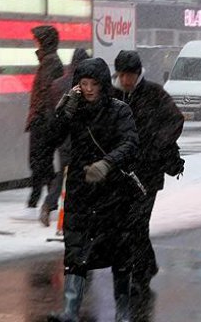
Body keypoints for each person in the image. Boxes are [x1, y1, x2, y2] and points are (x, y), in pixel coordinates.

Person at [48, 57, 140, 322]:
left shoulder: (119, 110)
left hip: (113, 191)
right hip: (80, 189)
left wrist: (107, 164)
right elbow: (51, 139)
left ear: (102, 85)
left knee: (119, 250)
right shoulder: (74, 110)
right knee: (75, 247)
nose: (88, 89)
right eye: (83, 83)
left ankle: (123, 311)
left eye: (93, 84)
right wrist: (62, 112)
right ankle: (70, 309)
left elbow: (131, 143)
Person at [112, 50, 185, 300]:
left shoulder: (154, 93)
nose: (127, 80)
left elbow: (176, 119)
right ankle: (148, 265)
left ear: (138, 73)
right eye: (122, 75)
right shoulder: (112, 96)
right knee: (127, 225)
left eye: (130, 75)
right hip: (122, 173)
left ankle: (140, 275)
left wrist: (155, 145)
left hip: (148, 173)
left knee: (137, 223)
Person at [14, 25, 65, 221]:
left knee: (40, 162)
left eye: (37, 39)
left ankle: (43, 201)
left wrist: (40, 118)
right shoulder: (48, 61)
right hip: (43, 120)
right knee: (41, 163)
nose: (34, 42)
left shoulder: (50, 63)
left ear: (44, 42)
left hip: (43, 121)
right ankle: (40, 201)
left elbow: (46, 95)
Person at [39, 48, 90, 227]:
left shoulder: (57, 83)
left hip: (63, 137)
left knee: (63, 173)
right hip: (80, 136)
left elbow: (51, 110)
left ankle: (49, 204)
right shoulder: (84, 85)